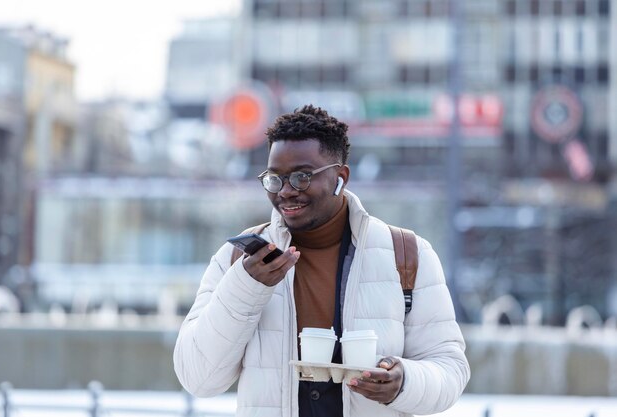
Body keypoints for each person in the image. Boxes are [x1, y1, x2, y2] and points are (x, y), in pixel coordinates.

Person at [174, 105, 470, 417]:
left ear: (341, 177)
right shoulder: (239, 261)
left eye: (302, 177)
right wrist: (246, 287)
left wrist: (404, 382)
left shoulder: (408, 254)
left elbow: (450, 368)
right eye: (275, 178)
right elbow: (199, 379)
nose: (286, 192)